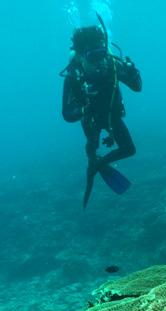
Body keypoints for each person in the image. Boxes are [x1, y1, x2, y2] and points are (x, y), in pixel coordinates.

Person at [61, 23, 142, 207]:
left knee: (129, 149)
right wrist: (84, 108)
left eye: (102, 53)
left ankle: (98, 165)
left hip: (112, 115)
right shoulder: (74, 76)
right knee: (91, 151)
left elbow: (138, 88)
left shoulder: (112, 64)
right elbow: (67, 114)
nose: (100, 61)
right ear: (81, 57)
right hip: (91, 121)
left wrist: (133, 73)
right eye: (93, 56)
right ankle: (92, 173)